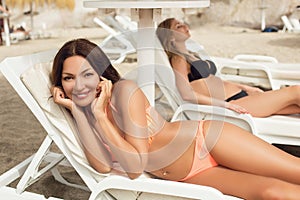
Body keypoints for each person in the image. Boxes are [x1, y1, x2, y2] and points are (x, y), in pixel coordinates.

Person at [51, 38, 300, 199]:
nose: (79, 86)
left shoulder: (124, 92)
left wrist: (101, 119)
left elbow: (136, 167)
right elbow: (103, 166)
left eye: (87, 75)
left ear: (102, 75)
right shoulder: (90, 114)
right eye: (69, 78)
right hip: (188, 174)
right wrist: (79, 112)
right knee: (272, 193)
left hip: (206, 142)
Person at [156, 18, 300, 117]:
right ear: (171, 37)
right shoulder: (178, 59)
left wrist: (246, 88)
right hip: (231, 104)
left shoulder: (191, 55)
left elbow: (215, 81)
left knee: (296, 106)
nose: (185, 26)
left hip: (240, 96)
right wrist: (224, 106)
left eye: (183, 23)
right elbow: (186, 94)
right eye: (178, 26)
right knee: (295, 91)